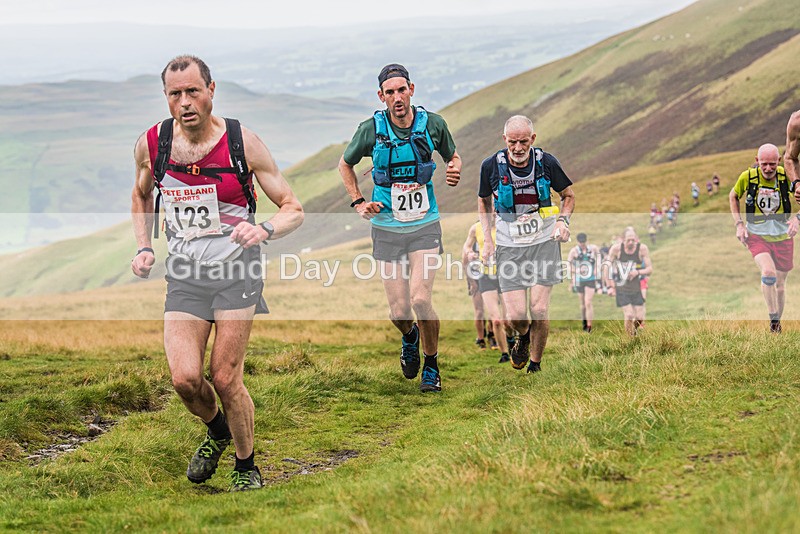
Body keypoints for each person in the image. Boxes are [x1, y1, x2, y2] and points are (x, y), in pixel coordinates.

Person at [131, 56, 303, 491]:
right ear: (166, 98)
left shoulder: (244, 142)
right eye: (175, 94)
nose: (185, 102)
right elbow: (140, 193)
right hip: (186, 272)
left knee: (225, 377)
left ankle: (246, 467)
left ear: (211, 90)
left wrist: (262, 228)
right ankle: (218, 430)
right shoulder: (153, 143)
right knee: (185, 380)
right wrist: (145, 246)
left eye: (193, 91)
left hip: (236, 269)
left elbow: (293, 209)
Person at [338, 64, 462, 392]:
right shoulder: (370, 129)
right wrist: (358, 202)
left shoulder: (433, 124)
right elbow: (345, 164)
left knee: (421, 299)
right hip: (387, 227)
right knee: (399, 311)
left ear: (412, 90)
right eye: (389, 92)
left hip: (425, 224)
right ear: (381, 97)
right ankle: (410, 336)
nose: (397, 97)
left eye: (401, 90)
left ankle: (432, 365)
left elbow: (454, 156)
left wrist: (454, 169)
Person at [478, 115, 575, 373]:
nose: (518, 148)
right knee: (517, 316)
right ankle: (524, 335)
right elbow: (484, 201)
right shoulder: (490, 166)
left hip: (544, 241)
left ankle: (535, 365)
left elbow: (568, 196)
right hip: (510, 246)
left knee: (539, 307)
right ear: (504, 140)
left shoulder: (546, 163)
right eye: (512, 142)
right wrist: (488, 240)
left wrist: (563, 222)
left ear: (533, 138)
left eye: (523, 141)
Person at [730, 143, 798, 333]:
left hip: (783, 237)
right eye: (763, 164)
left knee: (781, 285)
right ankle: (773, 320)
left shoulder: (787, 177)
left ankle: (777, 322)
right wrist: (739, 224)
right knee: (768, 273)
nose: (768, 169)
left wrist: (797, 219)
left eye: (772, 164)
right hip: (757, 236)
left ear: (779, 161)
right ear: (757, 161)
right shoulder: (748, 177)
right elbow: (733, 196)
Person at [463, 220, 511, 362]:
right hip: (485, 276)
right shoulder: (475, 228)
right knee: (496, 320)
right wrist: (469, 252)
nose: (493, 212)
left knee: (508, 320)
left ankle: (511, 339)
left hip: (505, 275)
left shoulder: (506, 224)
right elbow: (467, 246)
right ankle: (504, 354)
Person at [605, 228, 652, 336]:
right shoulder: (616, 249)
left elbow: (650, 269)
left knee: (640, 318)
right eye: (628, 240)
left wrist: (637, 272)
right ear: (622, 239)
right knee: (629, 315)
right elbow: (606, 267)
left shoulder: (642, 249)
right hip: (621, 286)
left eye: (633, 240)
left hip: (636, 287)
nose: (631, 242)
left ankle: (633, 333)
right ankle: (629, 341)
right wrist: (609, 286)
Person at [567, 233, 600, 333]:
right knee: (582, 304)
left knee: (588, 302)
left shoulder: (593, 248)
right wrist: (576, 271)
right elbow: (568, 264)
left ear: (586, 240)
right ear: (578, 242)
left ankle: (589, 326)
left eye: (583, 242)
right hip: (579, 279)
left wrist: (596, 269)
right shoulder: (574, 251)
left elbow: (599, 258)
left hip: (591, 279)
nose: (582, 244)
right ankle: (584, 322)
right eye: (580, 242)